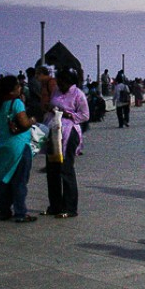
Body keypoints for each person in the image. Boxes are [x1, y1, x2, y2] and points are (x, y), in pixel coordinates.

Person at [0, 75, 37, 222]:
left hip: (4, 144)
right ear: (12, 90)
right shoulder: (16, 103)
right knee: (20, 180)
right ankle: (20, 213)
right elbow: (24, 123)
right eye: (18, 86)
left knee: (5, 180)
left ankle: (4, 211)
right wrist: (32, 120)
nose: (20, 88)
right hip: (19, 145)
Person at [44, 68, 89, 218]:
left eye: (63, 83)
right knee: (52, 169)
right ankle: (55, 205)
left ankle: (70, 207)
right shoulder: (56, 91)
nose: (60, 85)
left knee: (66, 168)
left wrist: (68, 114)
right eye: (59, 82)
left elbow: (85, 115)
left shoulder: (78, 94)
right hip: (54, 131)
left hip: (69, 132)